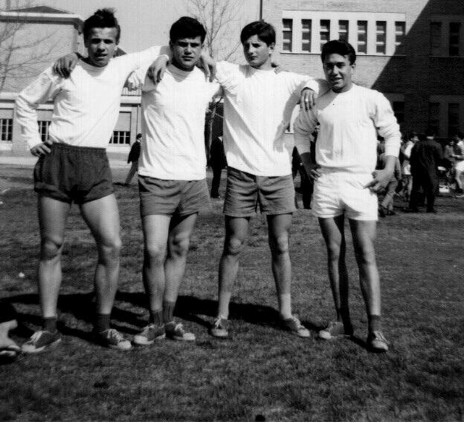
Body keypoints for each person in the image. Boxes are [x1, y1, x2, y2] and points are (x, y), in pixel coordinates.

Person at [15, 8, 164, 353]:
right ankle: (49, 327)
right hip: (59, 160)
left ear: (117, 44)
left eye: (108, 41)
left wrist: (158, 62)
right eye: (94, 40)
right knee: (51, 247)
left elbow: (163, 47)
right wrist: (33, 139)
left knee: (112, 246)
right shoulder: (64, 68)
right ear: (84, 41)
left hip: (95, 164)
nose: (101, 47)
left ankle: (102, 326)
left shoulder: (121, 66)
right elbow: (24, 101)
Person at [208, 21, 321, 339]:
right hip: (241, 174)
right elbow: (203, 61)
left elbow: (311, 81)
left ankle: (285, 313)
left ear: (272, 47)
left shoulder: (289, 80)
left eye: (257, 44)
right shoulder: (233, 74)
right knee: (233, 244)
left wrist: (309, 88)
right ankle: (222, 315)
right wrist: (163, 56)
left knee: (281, 245)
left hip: (278, 175)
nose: (250, 49)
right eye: (246, 44)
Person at [294, 39, 401, 353]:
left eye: (340, 65)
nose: (335, 71)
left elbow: (392, 132)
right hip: (327, 183)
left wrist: (388, 167)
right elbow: (300, 131)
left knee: (365, 253)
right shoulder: (319, 101)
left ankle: (375, 329)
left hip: (361, 184)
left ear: (353, 66)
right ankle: (342, 321)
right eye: (329, 65)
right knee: (334, 253)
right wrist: (307, 160)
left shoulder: (371, 98)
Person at [132, 17, 220, 345]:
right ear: (171, 45)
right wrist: (160, 56)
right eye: (181, 44)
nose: (188, 50)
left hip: (193, 178)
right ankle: (153, 321)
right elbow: (126, 59)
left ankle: (169, 320)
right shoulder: (151, 74)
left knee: (179, 247)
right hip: (156, 177)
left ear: (202, 47)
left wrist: (209, 60)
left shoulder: (209, 80)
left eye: (195, 45)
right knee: (154, 250)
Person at [409, 129, 443, 213]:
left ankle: (413, 206)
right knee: (431, 189)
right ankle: (430, 207)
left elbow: (412, 157)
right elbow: (440, 158)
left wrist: (413, 167)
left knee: (416, 188)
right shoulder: (437, 145)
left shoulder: (418, 144)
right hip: (431, 170)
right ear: (434, 135)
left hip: (418, 169)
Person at [377, 141, 402, 217]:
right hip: (392, 177)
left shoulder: (381, 156)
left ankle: (390, 209)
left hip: (384, 177)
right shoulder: (394, 157)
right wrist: (399, 178)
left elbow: (378, 166)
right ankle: (383, 206)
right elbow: (398, 169)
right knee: (390, 193)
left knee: (388, 193)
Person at [399, 132, 419, 201]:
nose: (417, 139)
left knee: (407, 181)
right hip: (409, 164)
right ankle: (408, 196)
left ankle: (404, 194)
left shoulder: (407, 144)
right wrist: (413, 158)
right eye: (416, 138)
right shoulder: (410, 144)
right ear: (411, 138)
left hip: (406, 164)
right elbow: (407, 154)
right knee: (410, 181)